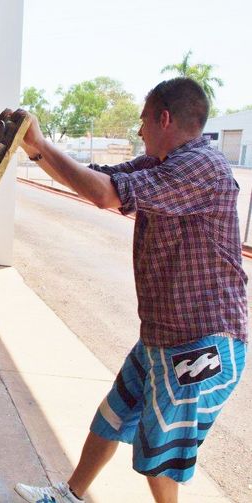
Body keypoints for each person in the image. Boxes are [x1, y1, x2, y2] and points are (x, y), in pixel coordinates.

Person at [14, 78, 248, 503]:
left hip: (200, 341)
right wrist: (33, 148)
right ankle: (70, 495)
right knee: (111, 418)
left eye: (142, 120)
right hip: (162, 336)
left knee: (158, 452)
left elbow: (105, 196)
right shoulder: (160, 164)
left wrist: (42, 145)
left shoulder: (201, 166)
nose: (139, 131)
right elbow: (96, 180)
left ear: (163, 118)